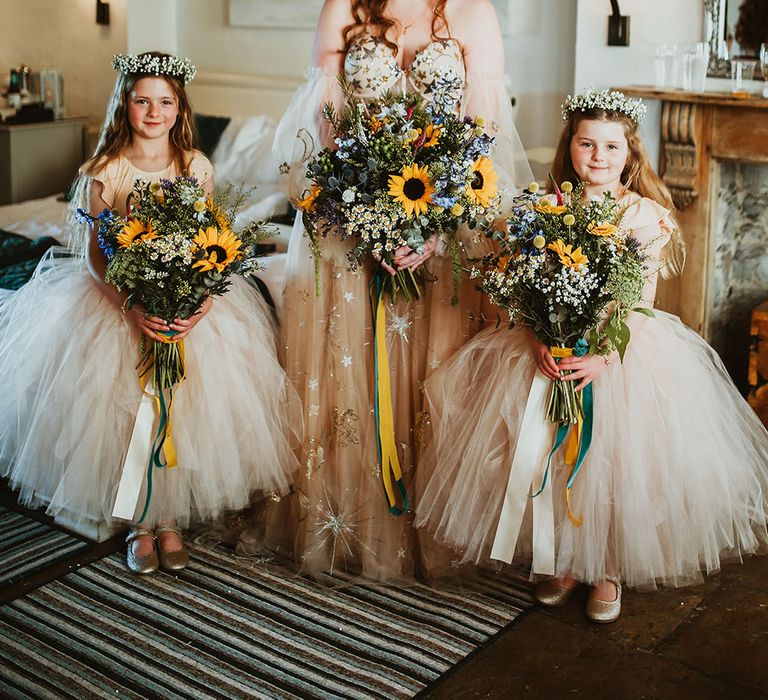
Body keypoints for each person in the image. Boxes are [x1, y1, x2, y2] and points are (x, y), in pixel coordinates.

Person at [414, 88, 768, 620]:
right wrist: (537, 338)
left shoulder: (643, 215)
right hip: (552, 343)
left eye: (611, 147)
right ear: (570, 147)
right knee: (551, 456)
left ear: (630, 155)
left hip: (617, 354)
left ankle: (608, 567)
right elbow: (522, 286)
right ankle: (567, 559)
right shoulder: (545, 207)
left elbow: (639, 302)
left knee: (614, 461)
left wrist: (603, 357)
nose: (598, 157)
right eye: (587, 144)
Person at [258, 0, 532, 580]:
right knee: (348, 368)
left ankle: (433, 528)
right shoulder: (343, 6)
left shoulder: (475, 11)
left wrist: (435, 225)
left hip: (449, 230)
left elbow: (484, 133)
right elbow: (323, 124)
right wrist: (364, 217)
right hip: (348, 225)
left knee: (435, 369)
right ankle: (352, 521)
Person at [0, 52, 300, 575]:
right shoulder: (106, 171)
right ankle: (141, 520)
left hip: (187, 304)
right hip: (122, 303)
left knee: (181, 408)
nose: (154, 111)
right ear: (126, 103)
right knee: (130, 408)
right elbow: (96, 254)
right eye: (143, 100)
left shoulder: (195, 166)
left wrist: (203, 300)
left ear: (179, 106)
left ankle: (170, 519)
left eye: (165, 101)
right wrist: (130, 306)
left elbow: (212, 242)